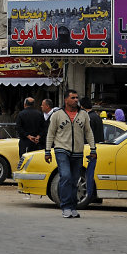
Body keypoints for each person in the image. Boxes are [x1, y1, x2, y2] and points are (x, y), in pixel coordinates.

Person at [44, 89, 96, 218]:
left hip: (78, 151)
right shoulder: (57, 115)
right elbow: (51, 133)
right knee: (66, 176)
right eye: (73, 98)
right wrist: (47, 151)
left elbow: (88, 132)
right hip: (61, 149)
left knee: (74, 180)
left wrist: (93, 148)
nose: (76, 100)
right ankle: (65, 206)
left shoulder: (83, 115)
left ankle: (73, 206)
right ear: (66, 100)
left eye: (77, 98)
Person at [81, 98, 105, 204]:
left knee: (89, 175)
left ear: (82, 107)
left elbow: (87, 136)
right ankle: (96, 197)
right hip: (99, 148)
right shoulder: (96, 116)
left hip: (90, 150)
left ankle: (90, 196)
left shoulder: (89, 118)